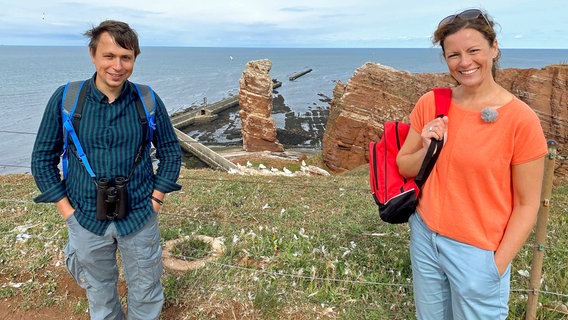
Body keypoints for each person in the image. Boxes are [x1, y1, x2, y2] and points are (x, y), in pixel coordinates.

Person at [396, 9, 547, 319]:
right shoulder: (432, 103)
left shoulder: (521, 121)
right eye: (454, 55)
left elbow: (527, 205)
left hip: (478, 253)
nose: (464, 62)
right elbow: (403, 166)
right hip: (426, 238)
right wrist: (427, 147)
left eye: (474, 50)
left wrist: (495, 268)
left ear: (494, 48)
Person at [31, 20, 181, 320]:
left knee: (147, 290)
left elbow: (171, 153)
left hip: (139, 215)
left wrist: (155, 201)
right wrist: (67, 213)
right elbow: (42, 159)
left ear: (134, 59)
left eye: (126, 57)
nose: (117, 65)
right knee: (99, 292)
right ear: (93, 55)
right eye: (109, 56)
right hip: (85, 217)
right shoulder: (67, 99)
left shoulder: (147, 99)